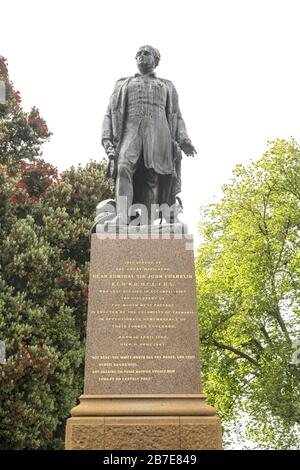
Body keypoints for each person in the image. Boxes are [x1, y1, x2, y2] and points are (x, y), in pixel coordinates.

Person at [102, 45, 196, 225]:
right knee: (123, 167)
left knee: (152, 177)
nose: (141, 57)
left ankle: (147, 223)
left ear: (155, 60)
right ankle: (122, 217)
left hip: (159, 133)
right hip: (130, 132)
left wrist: (184, 139)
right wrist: (107, 140)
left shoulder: (166, 85)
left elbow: (176, 115)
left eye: (146, 53)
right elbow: (109, 113)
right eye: (138, 54)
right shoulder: (123, 84)